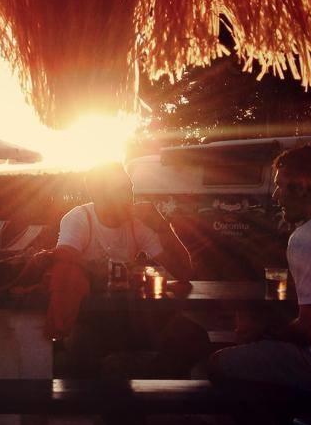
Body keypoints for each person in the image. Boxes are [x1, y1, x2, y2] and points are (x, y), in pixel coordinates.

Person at [209, 144, 311, 395]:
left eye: (280, 185)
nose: (275, 196)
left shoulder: (310, 236)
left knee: (220, 364)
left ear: (302, 187)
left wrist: (265, 333)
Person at [53, 162, 205, 377]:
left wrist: (161, 226)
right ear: (97, 194)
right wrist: (114, 270)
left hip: (132, 316)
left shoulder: (138, 223)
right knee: (82, 350)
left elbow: (184, 273)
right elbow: (64, 258)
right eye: (120, 190)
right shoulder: (80, 218)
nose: (129, 196)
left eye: (129, 188)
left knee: (193, 336)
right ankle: (117, 394)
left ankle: (142, 382)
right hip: (89, 316)